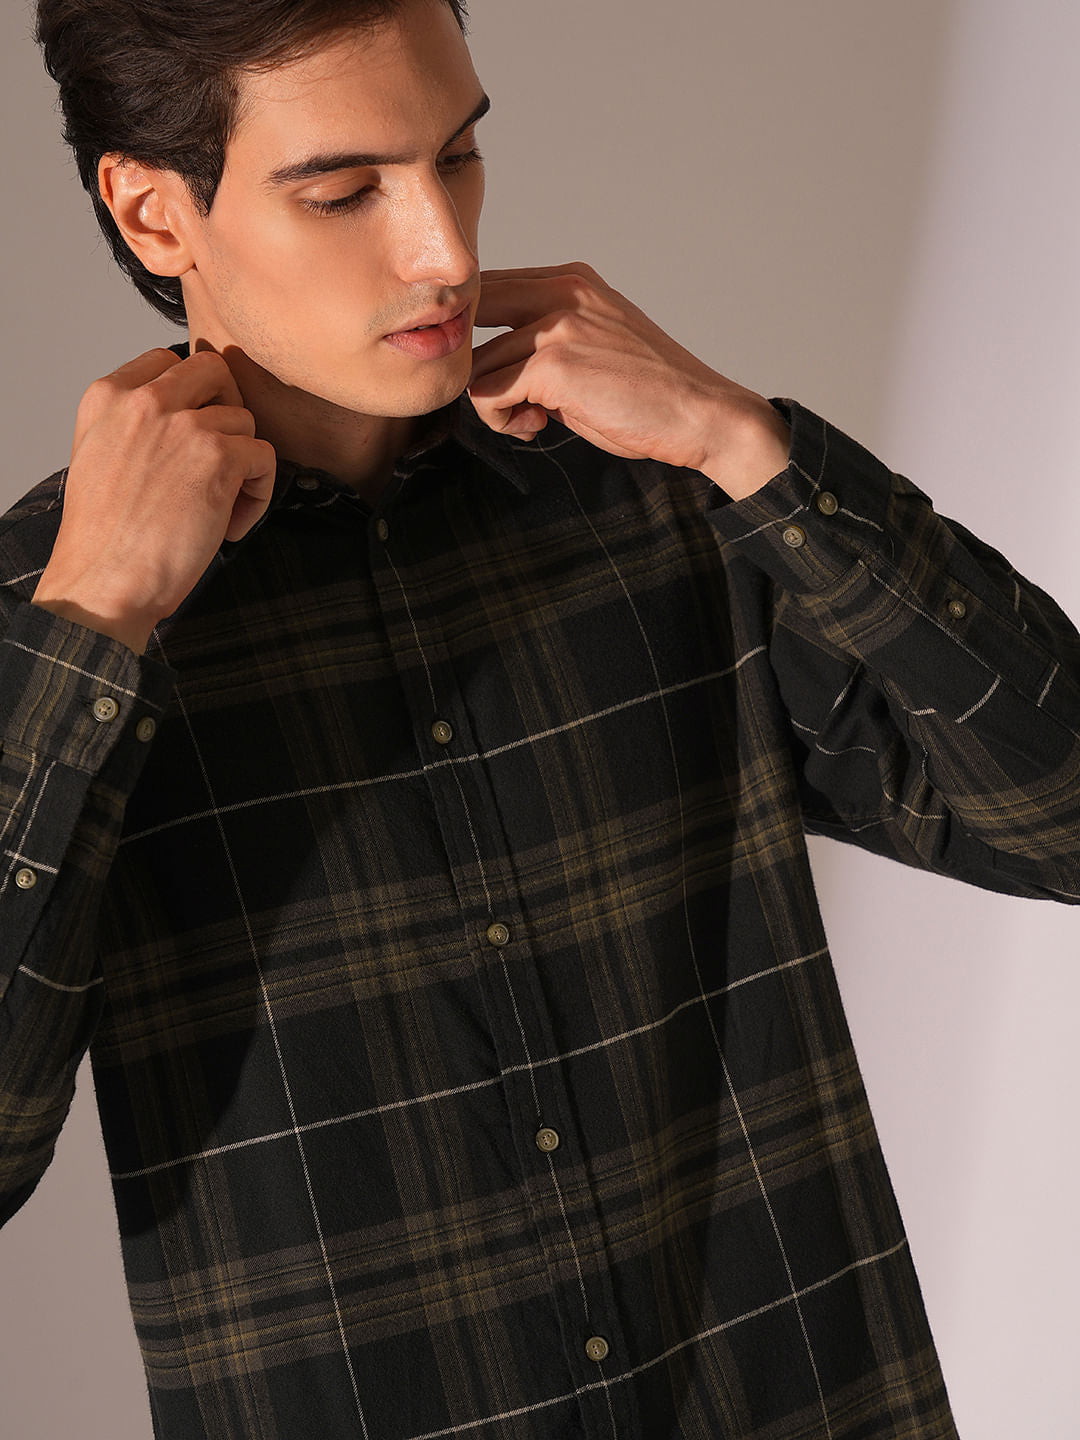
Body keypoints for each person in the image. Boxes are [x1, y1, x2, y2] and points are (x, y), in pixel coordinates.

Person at [1, 0, 1076, 1435]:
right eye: (345, 191)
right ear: (154, 214)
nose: (444, 251)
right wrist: (94, 627)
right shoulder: (52, 625)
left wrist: (750, 447)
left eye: (456, 157)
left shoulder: (660, 499)